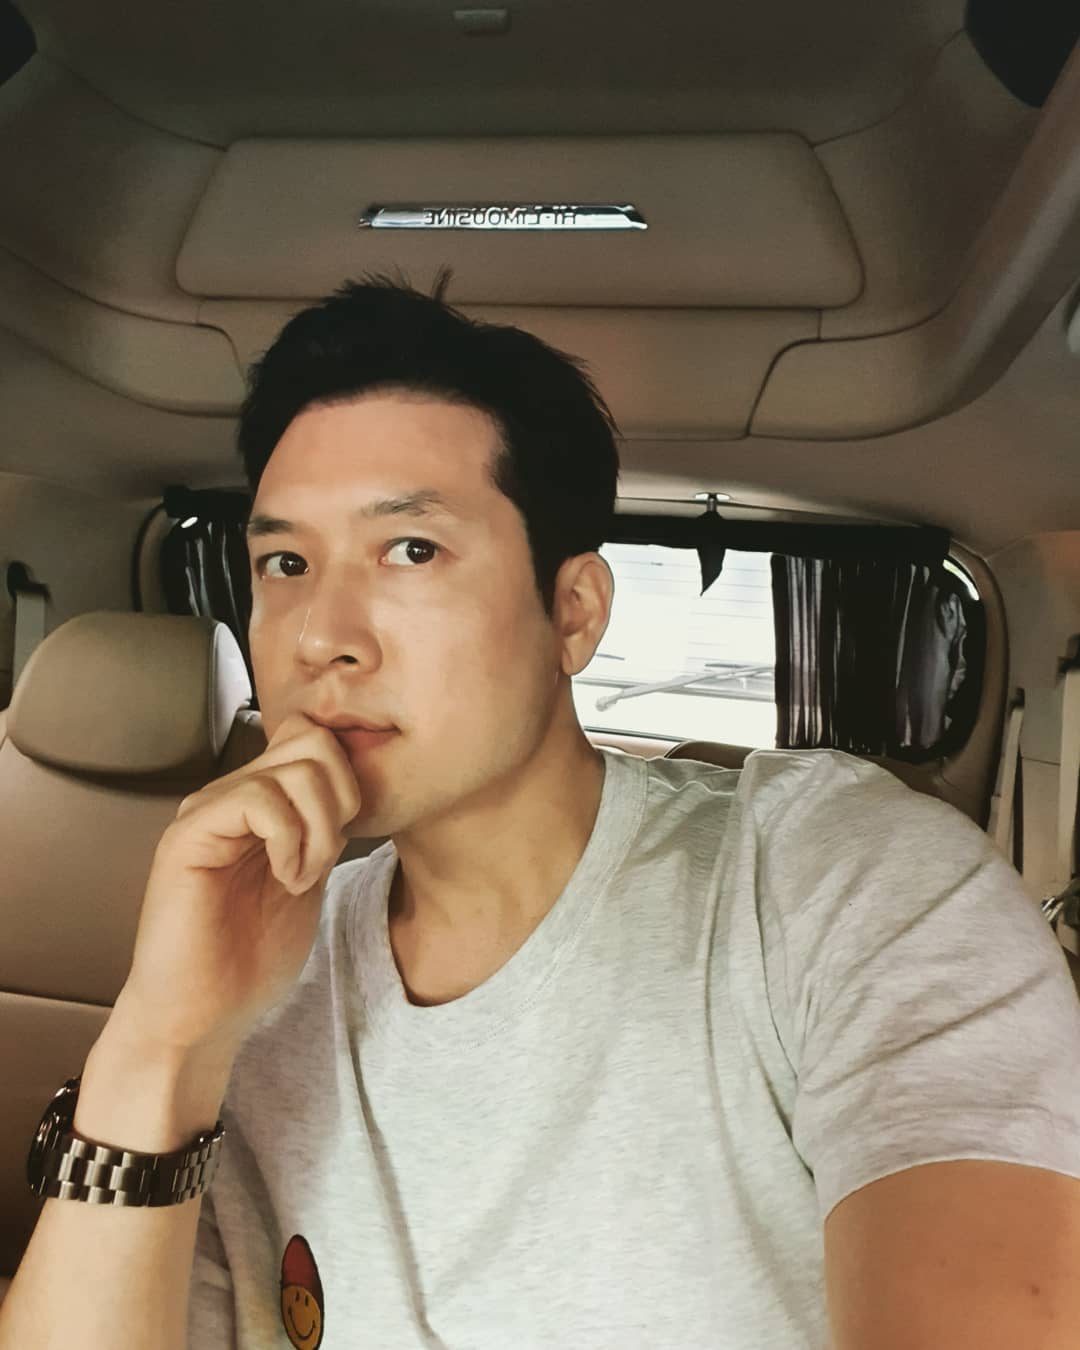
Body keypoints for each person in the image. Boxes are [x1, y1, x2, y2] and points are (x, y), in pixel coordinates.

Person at [4, 276, 1080, 1350]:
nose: (321, 636)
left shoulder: (841, 885)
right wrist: (161, 1041)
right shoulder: (252, 976)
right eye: (284, 562)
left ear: (573, 613)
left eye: (411, 550)